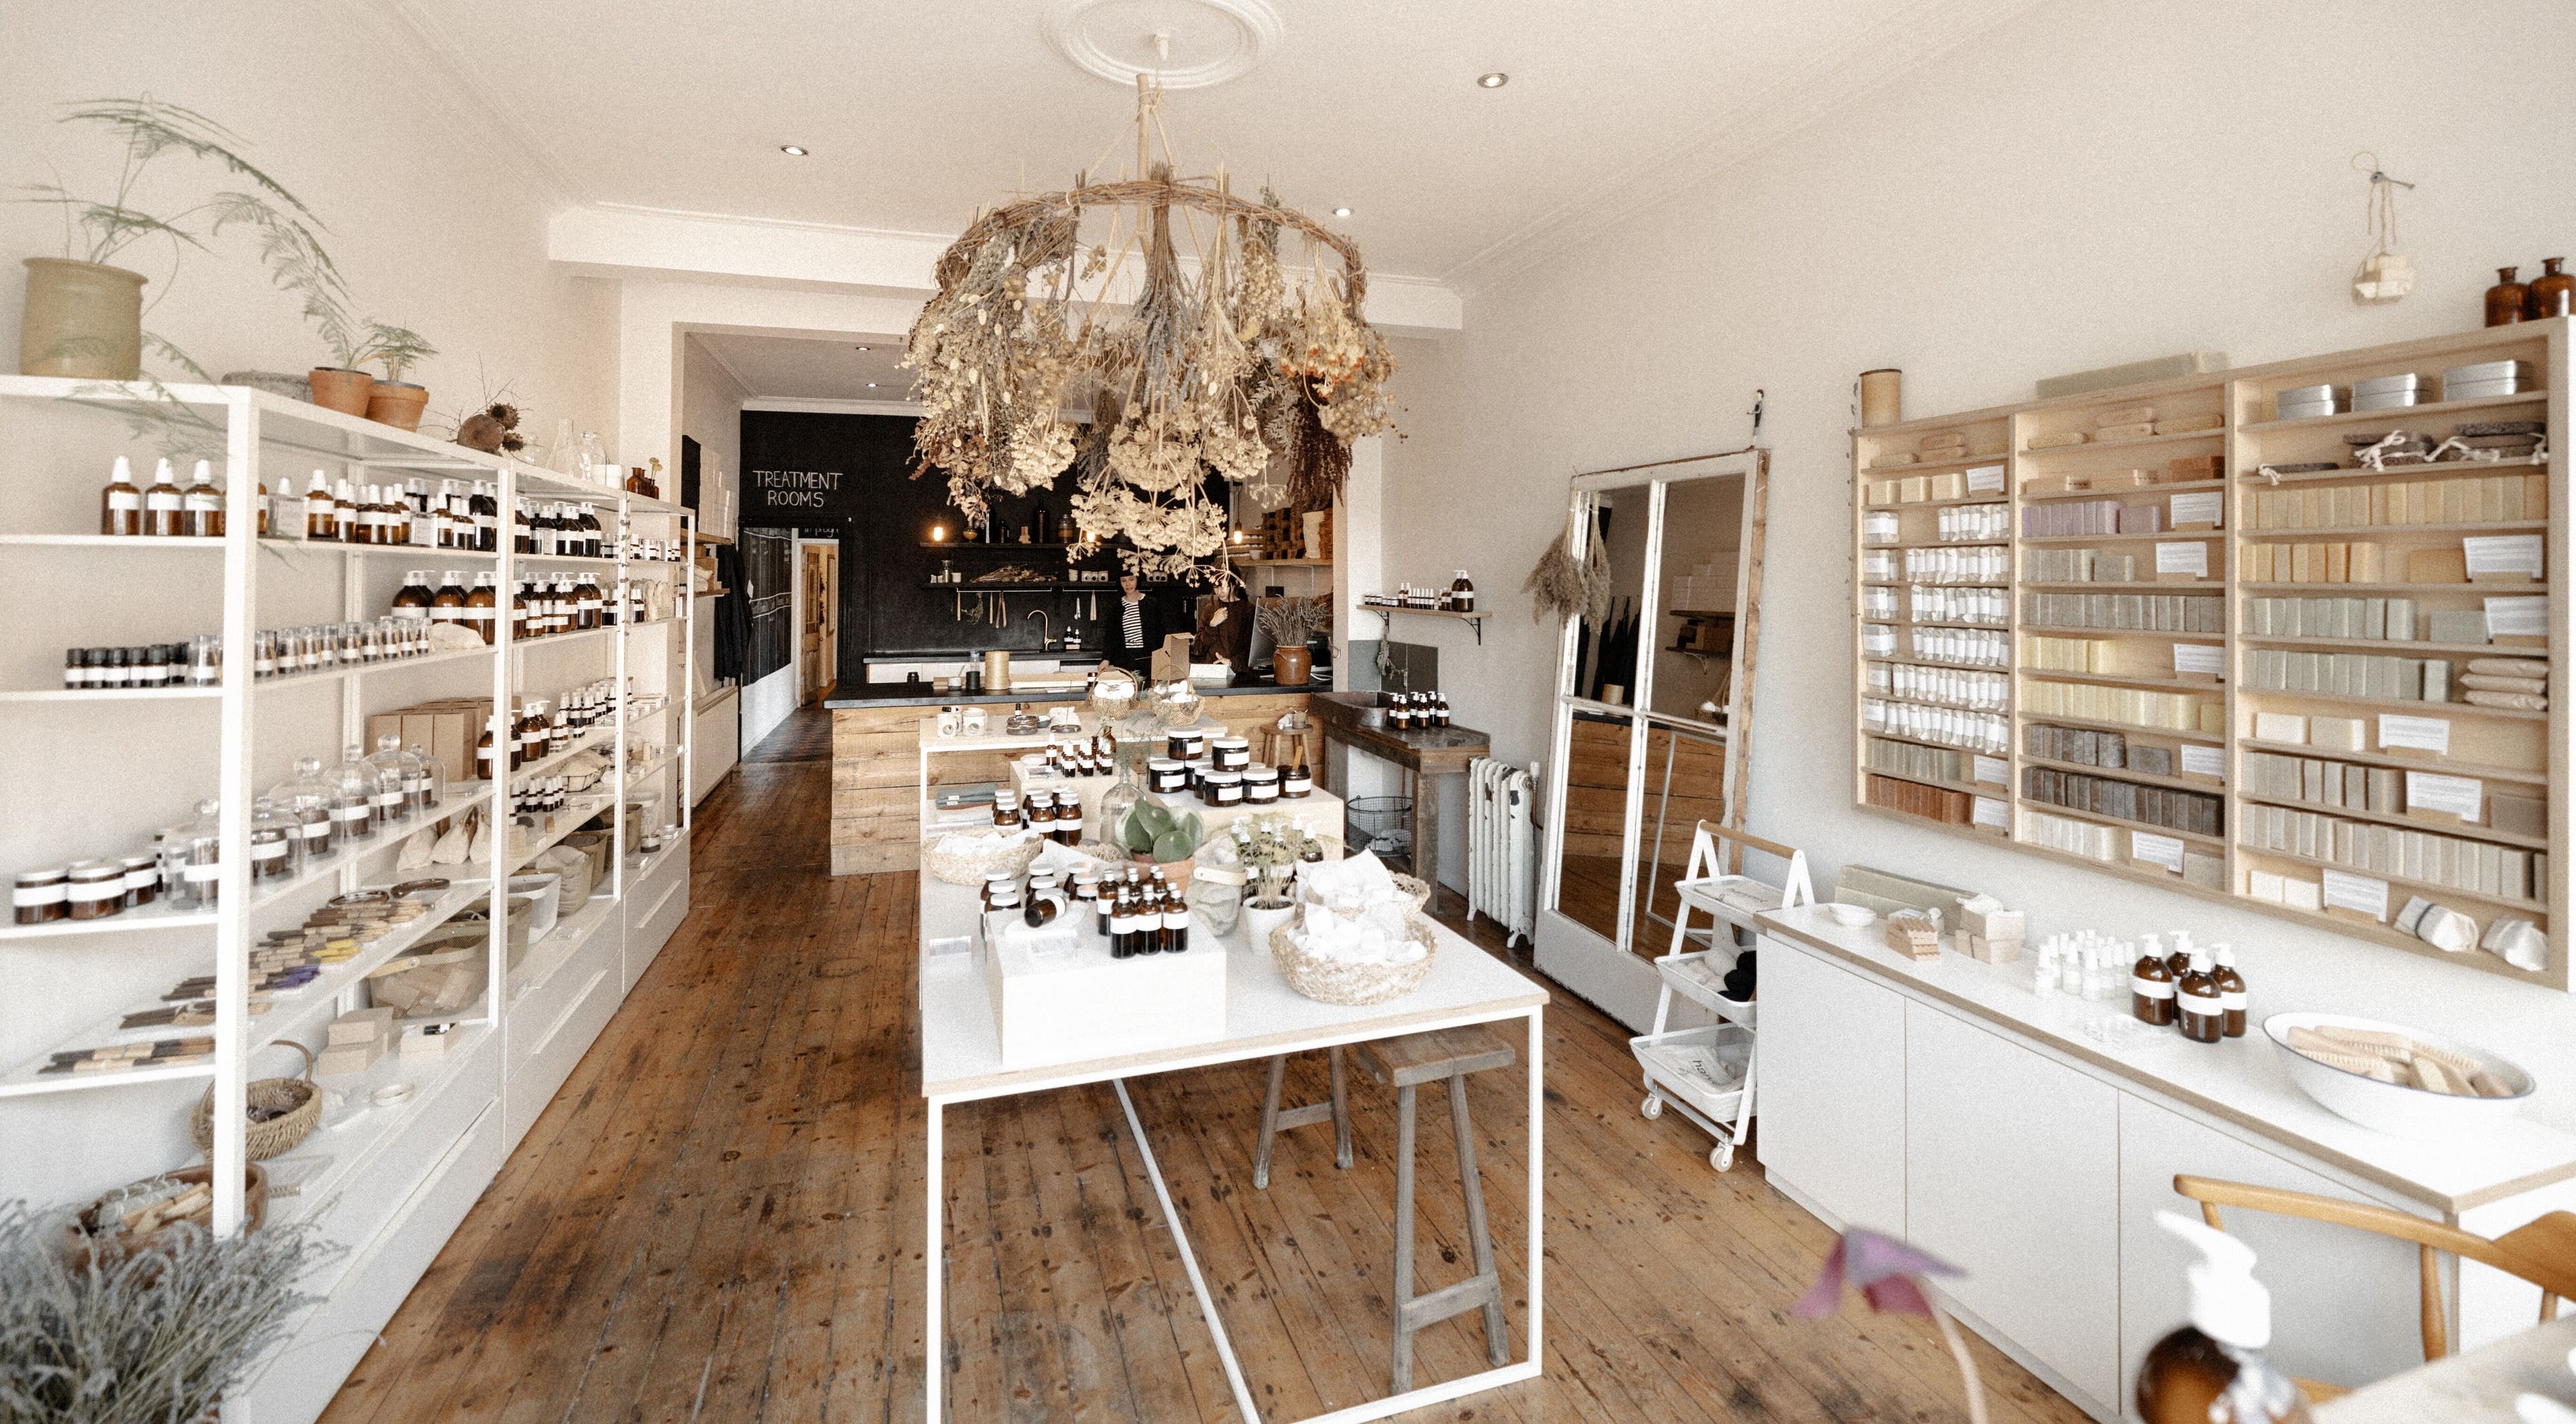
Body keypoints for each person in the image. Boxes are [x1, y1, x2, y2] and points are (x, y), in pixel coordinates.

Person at [1108, 573, 1168, 677]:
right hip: (1125, 659)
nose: (1128, 584)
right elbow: (1111, 635)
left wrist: (1163, 656)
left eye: (1131, 579)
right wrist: (1106, 659)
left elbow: (1161, 632)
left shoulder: (1152, 603)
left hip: (1149, 658)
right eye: (1123, 581)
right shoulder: (1117, 606)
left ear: (1138, 580)